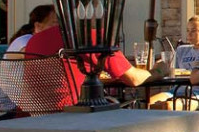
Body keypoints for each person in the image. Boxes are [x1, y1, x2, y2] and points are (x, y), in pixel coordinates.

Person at [24, 24, 170, 109]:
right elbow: (133, 79)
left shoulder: (34, 40)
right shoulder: (91, 37)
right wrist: (158, 70)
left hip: (33, 115)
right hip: (75, 113)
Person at [149, 14, 199, 109]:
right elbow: (171, 70)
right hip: (176, 90)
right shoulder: (182, 50)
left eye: (193, 31)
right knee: (148, 104)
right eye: (187, 30)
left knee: (169, 106)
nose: (189, 34)